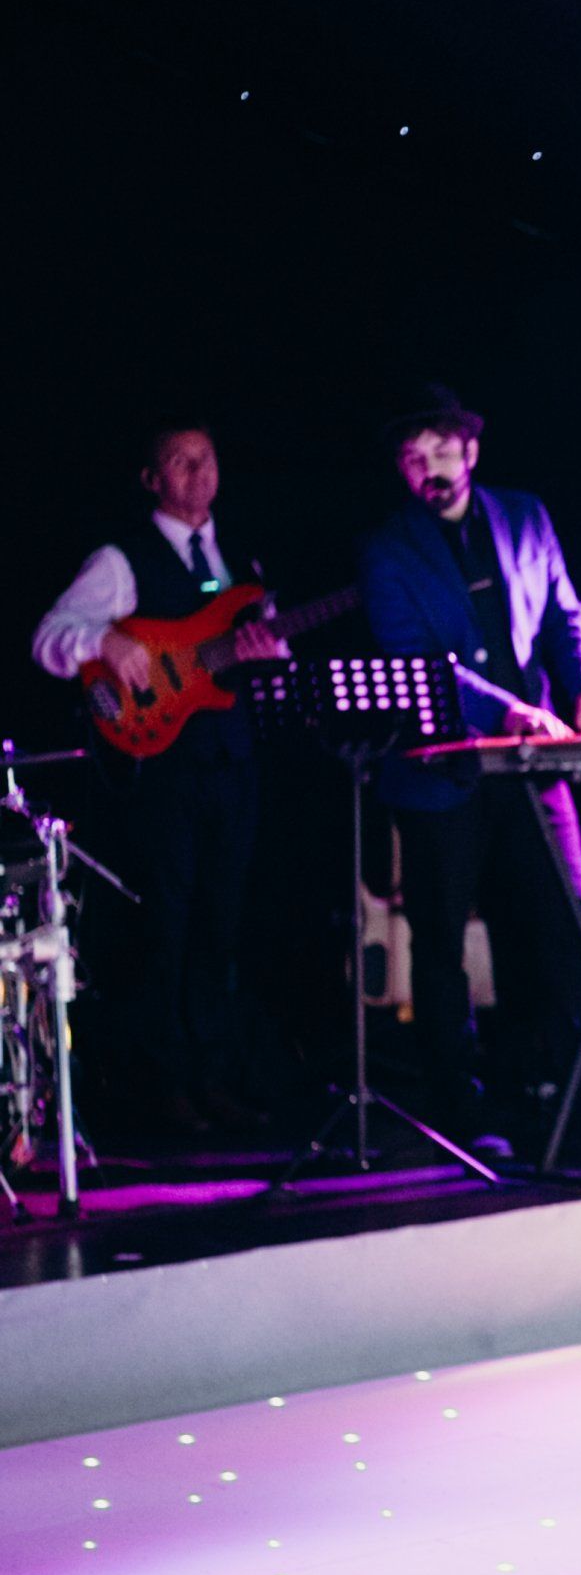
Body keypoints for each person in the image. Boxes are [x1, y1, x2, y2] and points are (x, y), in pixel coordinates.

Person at [360, 384, 581, 1153]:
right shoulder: (389, 547)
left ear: (470, 451)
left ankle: (580, 1105)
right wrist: (505, 711)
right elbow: (417, 662)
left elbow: (565, 613)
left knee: (566, 927)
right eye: (414, 460)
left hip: (532, 765)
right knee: (441, 948)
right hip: (440, 772)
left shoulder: (525, 515)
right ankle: (459, 1116)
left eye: (442, 452)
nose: (431, 469)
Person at [32, 418, 285, 1137]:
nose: (198, 473)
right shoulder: (123, 558)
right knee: (168, 926)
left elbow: (256, 644)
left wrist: (270, 648)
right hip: (165, 767)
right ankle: (164, 1085)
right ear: (152, 479)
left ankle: (214, 1077)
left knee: (221, 925)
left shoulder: (241, 556)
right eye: (180, 462)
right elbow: (49, 635)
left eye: (207, 458)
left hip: (233, 760)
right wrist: (105, 639)